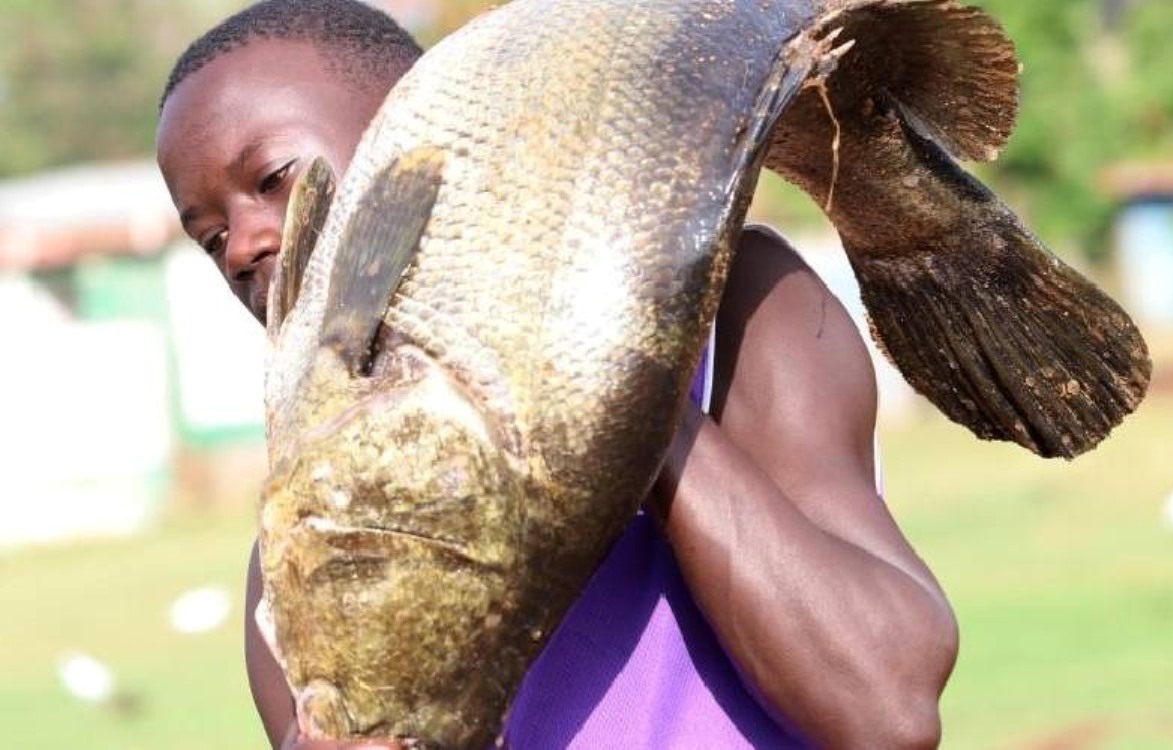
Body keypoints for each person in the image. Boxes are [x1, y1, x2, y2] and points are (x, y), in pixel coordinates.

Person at [156, 1, 958, 748]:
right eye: (208, 233)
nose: (243, 245)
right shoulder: (306, 557)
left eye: (273, 179)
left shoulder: (735, 313)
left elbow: (884, 706)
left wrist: (608, 377)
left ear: (433, 130)